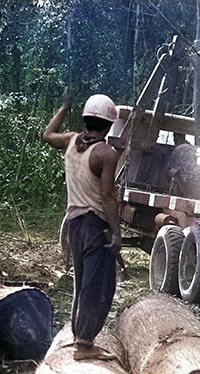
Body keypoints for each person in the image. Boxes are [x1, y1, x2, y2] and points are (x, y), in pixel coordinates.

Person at [43, 94, 121, 360]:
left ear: (86, 119)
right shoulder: (105, 153)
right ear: (109, 125)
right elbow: (108, 196)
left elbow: (47, 134)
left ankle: (80, 337)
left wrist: (64, 107)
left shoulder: (71, 141)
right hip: (94, 224)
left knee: (81, 283)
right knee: (97, 285)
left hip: (73, 224)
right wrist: (116, 232)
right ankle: (85, 346)